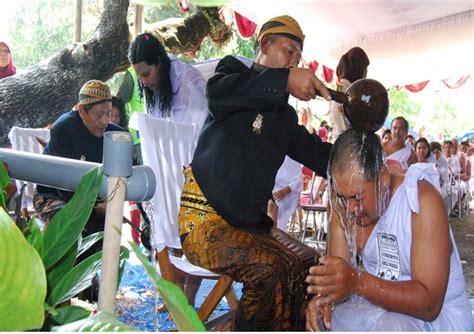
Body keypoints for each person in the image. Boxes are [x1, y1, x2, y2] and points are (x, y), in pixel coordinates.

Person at [177, 15, 332, 331]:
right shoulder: (230, 74)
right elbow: (219, 94)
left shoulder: (284, 116)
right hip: (204, 223)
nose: (293, 61)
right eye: (288, 51)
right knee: (270, 270)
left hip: (250, 228)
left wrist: (355, 153)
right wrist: (285, 81)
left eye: (297, 57)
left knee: (310, 267)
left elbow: (320, 156)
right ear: (263, 44)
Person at [305, 128, 472, 331]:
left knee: (393, 327)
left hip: (437, 319)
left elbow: (430, 305)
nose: (349, 208)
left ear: (383, 177)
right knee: (325, 322)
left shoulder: (421, 201)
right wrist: (325, 300)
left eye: (357, 197)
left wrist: (357, 282)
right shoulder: (342, 200)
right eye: (342, 197)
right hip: (379, 305)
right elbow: (339, 278)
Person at [34, 80, 126, 262]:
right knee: (73, 227)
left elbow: (128, 176)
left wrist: (112, 204)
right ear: (82, 110)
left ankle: (96, 282)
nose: (105, 121)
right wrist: (93, 207)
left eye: (109, 114)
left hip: (95, 200)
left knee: (106, 238)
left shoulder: (115, 134)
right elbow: (62, 183)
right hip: (54, 195)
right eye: (99, 115)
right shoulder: (64, 128)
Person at [128, 33, 208, 129]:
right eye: (139, 76)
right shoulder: (153, 84)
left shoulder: (188, 81)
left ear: (159, 62)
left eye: (146, 74)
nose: (144, 82)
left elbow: (203, 130)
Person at [327, 47, 370, 139]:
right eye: (365, 68)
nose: (366, 73)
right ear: (357, 69)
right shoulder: (348, 95)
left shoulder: (340, 91)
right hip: (349, 148)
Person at [267, 156, 303, 231]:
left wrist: (285, 191)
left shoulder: (292, 157)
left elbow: (298, 180)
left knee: (271, 204)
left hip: (288, 193)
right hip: (270, 190)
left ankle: (273, 236)